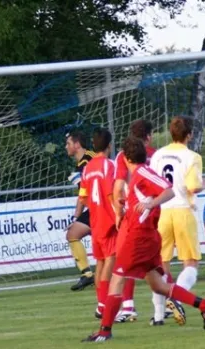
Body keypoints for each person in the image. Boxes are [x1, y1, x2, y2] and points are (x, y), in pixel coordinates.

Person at [82, 137, 205, 342]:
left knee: (117, 280)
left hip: (139, 239)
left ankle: (104, 331)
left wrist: (152, 203)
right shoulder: (137, 177)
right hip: (145, 237)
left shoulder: (142, 172)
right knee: (159, 286)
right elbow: (142, 201)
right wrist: (127, 204)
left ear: (126, 158)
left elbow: (169, 189)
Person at [149, 116, 205, 325]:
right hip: (183, 210)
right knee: (191, 263)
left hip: (162, 212)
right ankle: (176, 297)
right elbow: (193, 187)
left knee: (160, 266)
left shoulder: (157, 155)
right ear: (189, 135)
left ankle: (158, 316)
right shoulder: (192, 156)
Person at [111, 119, 158, 322]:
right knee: (155, 262)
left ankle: (128, 306)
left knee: (124, 258)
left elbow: (118, 186)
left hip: (134, 214)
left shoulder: (124, 156)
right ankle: (165, 304)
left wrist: (118, 212)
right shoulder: (156, 154)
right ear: (148, 136)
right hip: (156, 211)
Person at [78, 128, 118, 319]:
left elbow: (83, 197)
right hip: (108, 219)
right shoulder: (108, 166)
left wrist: (95, 207)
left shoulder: (87, 168)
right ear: (109, 145)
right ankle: (104, 303)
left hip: (95, 219)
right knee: (112, 257)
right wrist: (117, 213)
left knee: (100, 260)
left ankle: (100, 304)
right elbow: (111, 193)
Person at [64, 130, 96, 291]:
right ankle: (87, 275)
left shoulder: (90, 159)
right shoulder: (81, 165)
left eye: (68, 143)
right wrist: (75, 217)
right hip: (95, 209)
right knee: (72, 234)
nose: (66, 147)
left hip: (104, 209)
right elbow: (83, 195)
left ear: (77, 145)